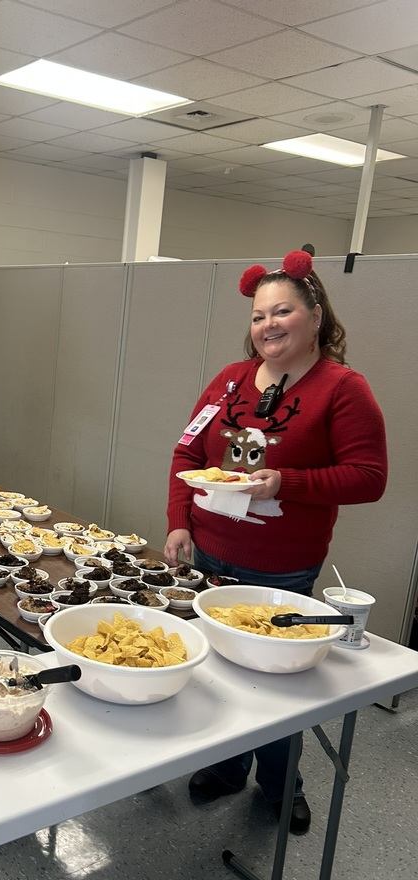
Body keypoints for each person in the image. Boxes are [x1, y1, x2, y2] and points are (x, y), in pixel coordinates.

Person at [163, 250, 387, 834]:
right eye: (260, 315)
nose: (268, 325)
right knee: (217, 669)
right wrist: (179, 520)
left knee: (277, 687)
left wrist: (289, 482)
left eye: (283, 311)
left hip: (281, 571)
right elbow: (188, 453)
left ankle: (282, 785)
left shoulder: (343, 388)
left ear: (315, 314)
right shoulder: (229, 381)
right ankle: (228, 766)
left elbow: (369, 477)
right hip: (209, 554)